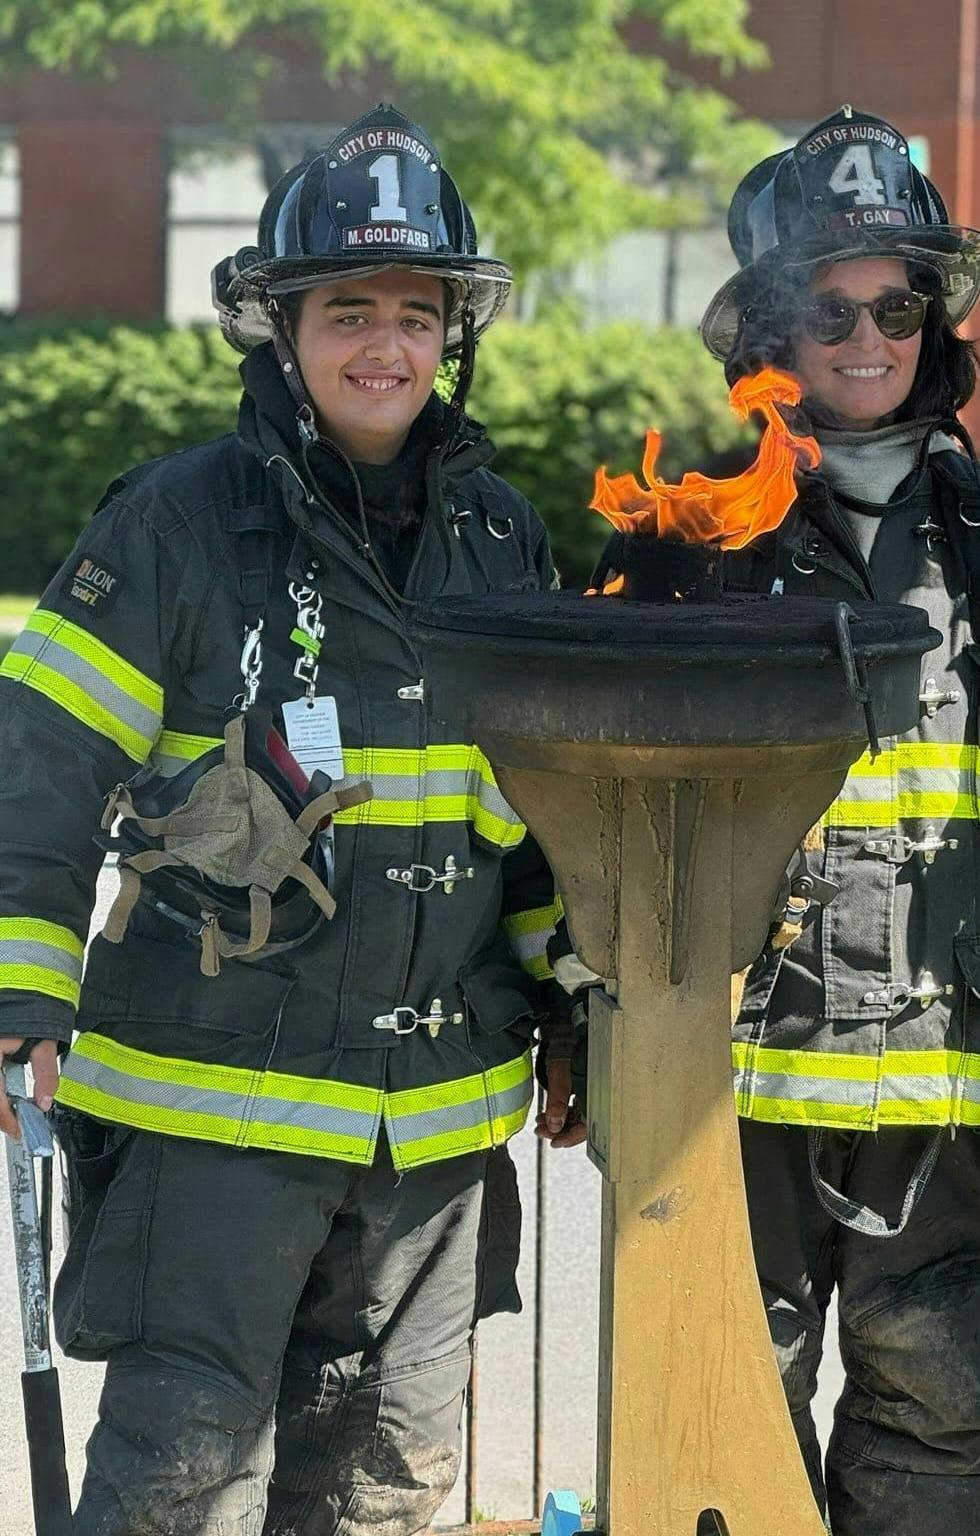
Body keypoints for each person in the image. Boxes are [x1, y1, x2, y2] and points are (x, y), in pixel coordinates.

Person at [0, 103, 574, 1535]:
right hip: (213, 1126)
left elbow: (548, 811)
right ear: (280, 326)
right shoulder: (177, 523)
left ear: (456, 331)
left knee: (387, 1497)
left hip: (431, 1138)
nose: (385, 345)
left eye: (416, 312)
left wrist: (573, 1004)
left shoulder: (501, 537)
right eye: (347, 311)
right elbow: (42, 756)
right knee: (182, 1491)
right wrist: (20, 987)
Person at [699, 106, 980, 1536]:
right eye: (831, 306)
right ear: (774, 326)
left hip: (946, 1079)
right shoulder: (699, 535)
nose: (869, 335)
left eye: (897, 302)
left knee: (937, 1416)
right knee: (726, 1422)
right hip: (736, 1086)